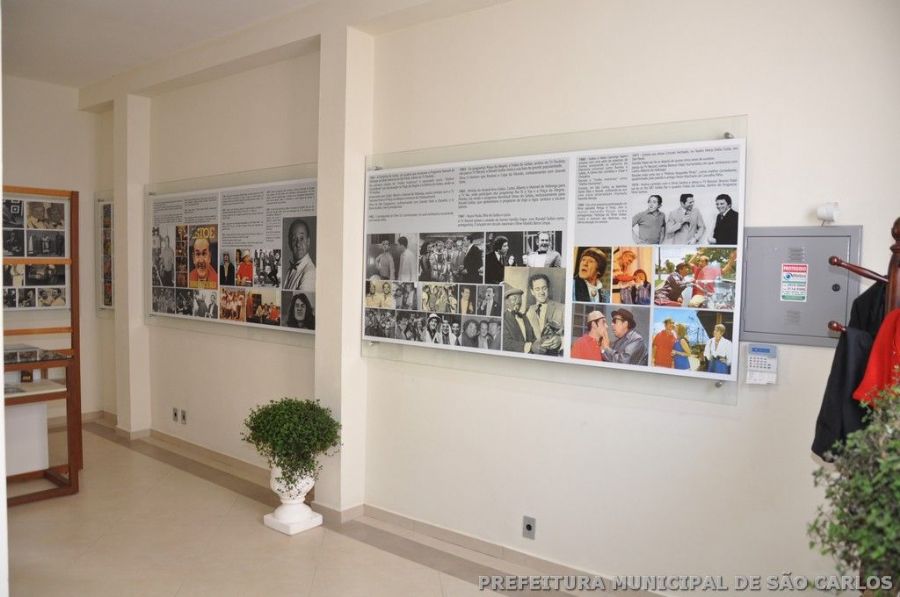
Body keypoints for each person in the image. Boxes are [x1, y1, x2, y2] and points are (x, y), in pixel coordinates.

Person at [525, 273, 564, 356]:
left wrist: (561, 340)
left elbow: (570, 335)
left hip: (554, 356)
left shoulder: (562, 308)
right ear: (532, 292)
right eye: (537, 289)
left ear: (548, 289)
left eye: (544, 288)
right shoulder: (528, 311)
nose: (541, 292)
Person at [283, 219, 316, 291]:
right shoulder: (290, 270)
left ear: (308, 242)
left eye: (301, 238)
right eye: (294, 239)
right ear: (290, 244)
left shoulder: (310, 273)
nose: (298, 244)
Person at [502, 287, 536, 353]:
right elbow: (506, 342)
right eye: (514, 299)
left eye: (520, 299)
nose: (518, 301)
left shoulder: (524, 317)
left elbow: (532, 337)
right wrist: (529, 347)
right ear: (507, 302)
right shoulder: (503, 319)